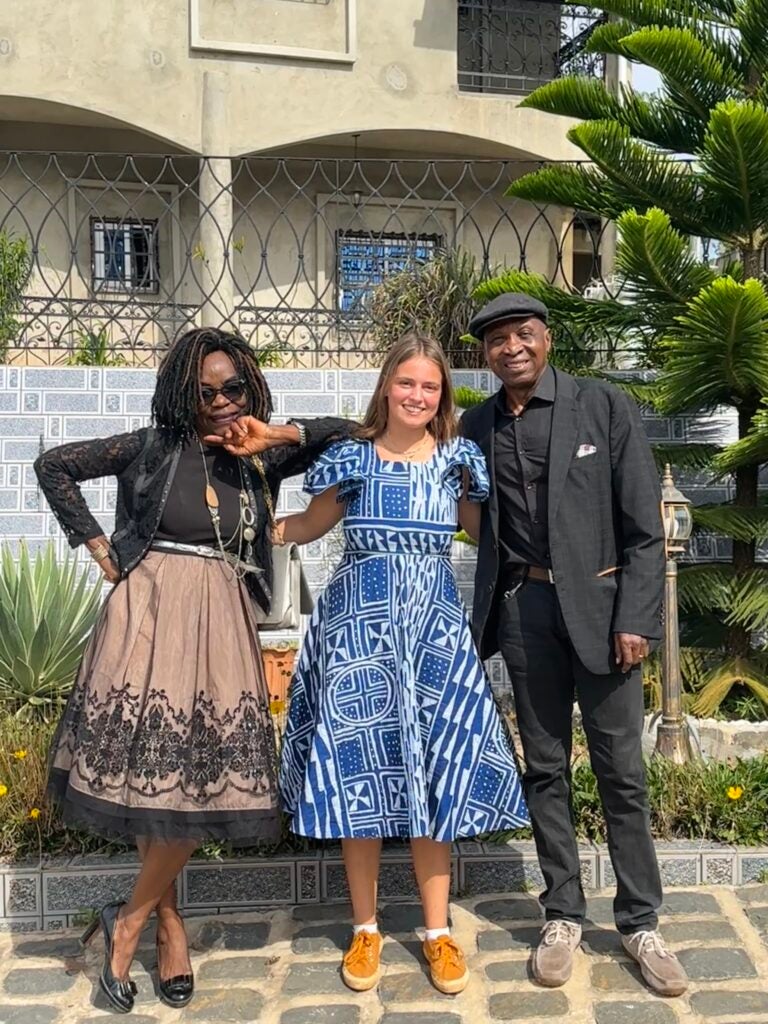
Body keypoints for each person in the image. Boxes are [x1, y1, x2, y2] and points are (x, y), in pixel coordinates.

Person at [34, 327, 350, 1014]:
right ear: (183, 391)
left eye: (232, 388)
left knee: (196, 783)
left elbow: (351, 432)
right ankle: (163, 927)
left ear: (250, 387)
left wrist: (274, 435)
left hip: (220, 626)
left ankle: (135, 919)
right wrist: (96, 545)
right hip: (145, 619)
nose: (219, 401)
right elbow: (55, 465)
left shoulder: (259, 460)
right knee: (158, 781)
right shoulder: (151, 448)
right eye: (205, 391)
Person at [273, 332, 529, 996]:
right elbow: (307, 526)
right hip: (357, 641)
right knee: (363, 779)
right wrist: (239, 522)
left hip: (433, 642)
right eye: (408, 382)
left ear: (441, 396)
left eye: (431, 386)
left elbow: (486, 531)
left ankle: (437, 933)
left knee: (432, 783)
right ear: (387, 385)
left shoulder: (456, 462)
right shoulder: (351, 460)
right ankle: (366, 929)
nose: (419, 395)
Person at [459, 292, 688, 997]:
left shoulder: (602, 407)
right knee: (546, 768)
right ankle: (563, 913)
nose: (511, 348)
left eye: (522, 334)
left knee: (622, 772)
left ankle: (640, 921)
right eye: (497, 340)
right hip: (526, 608)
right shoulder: (478, 423)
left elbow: (646, 529)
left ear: (546, 339)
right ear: (486, 354)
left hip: (602, 610)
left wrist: (637, 619)